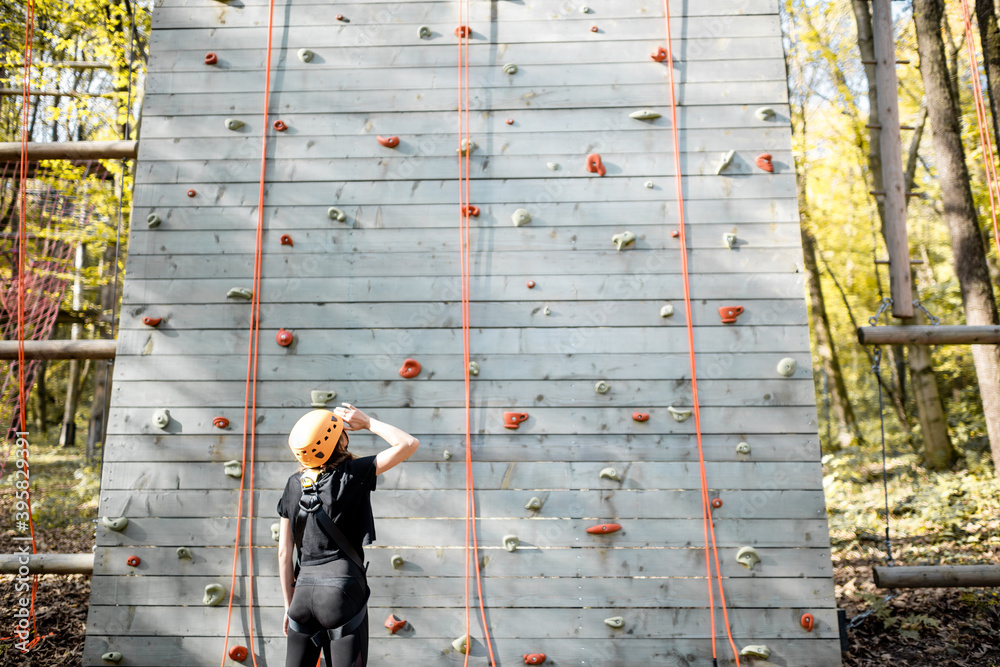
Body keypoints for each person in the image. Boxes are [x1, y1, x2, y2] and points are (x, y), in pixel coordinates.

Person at [277, 403, 418, 667]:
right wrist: (367, 422)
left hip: (302, 596)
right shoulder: (353, 474)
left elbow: (285, 553)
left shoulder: (292, 485)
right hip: (342, 591)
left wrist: (289, 605)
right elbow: (408, 443)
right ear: (337, 439)